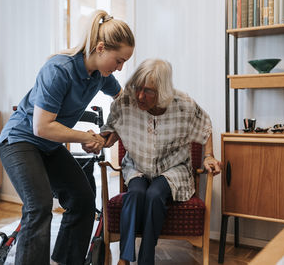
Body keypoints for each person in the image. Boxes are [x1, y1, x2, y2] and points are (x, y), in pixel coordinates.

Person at [0, 10, 134, 265]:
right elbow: (41, 127)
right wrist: (84, 136)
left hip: (49, 146)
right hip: (20, 141)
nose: (120, 68)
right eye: (118, 60)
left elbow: (123, 100)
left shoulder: (99, 76)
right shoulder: (59, 69)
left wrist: (108, 133)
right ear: (101, 48)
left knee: (82, 199)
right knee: (38, 207)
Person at [94, 59, 221, 265]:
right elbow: (111, 130)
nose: (140, 96)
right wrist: (99, 141)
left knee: (154, 194)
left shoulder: (183, 105)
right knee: (135, 193)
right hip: (138, 164)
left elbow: (205, 127)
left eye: (148, 91)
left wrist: (208, 156)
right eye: (137, 88)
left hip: (173, 168)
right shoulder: (126, 102)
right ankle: (124, 259)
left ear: (162, 92)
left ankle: (146, 258)